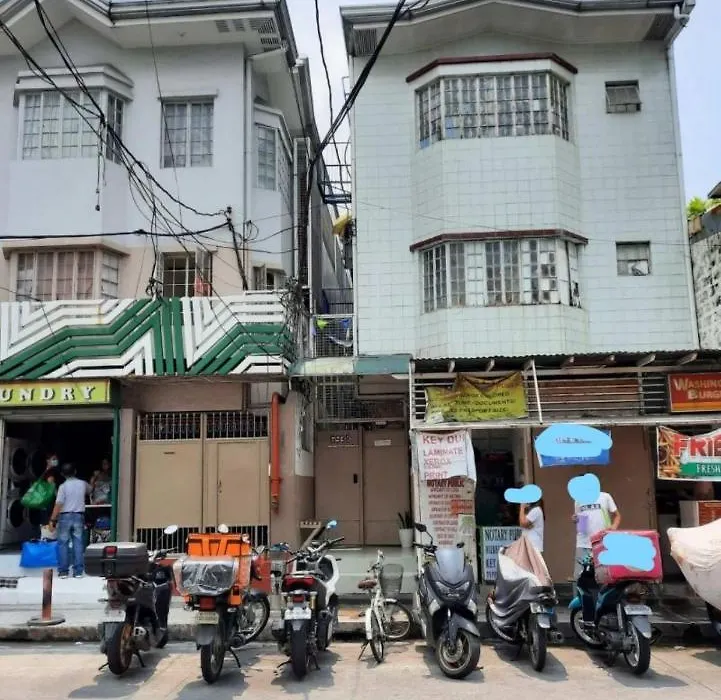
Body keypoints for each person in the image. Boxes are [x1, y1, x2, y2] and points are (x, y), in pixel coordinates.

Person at [572, 481, 621, 591]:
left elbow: (617, 515)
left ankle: (603, 600)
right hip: (583, 543)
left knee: (603, 576)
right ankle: (581, 600)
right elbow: (580, 522)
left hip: (602, 542)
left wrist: (613, 527)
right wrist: (576, 520)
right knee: (579, 577)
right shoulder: (578, 500)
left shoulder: (605, 496)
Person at [49, 463, 91, 579]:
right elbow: (90, 490)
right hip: (78, 516)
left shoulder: (63, 487)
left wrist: (52, 519)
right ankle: (78, 571)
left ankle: (63, 571)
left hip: (65, 517)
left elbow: (58, 504)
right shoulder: (83, 484)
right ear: (75, 471)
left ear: (62, 474)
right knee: (78, 543)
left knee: (63, 544)